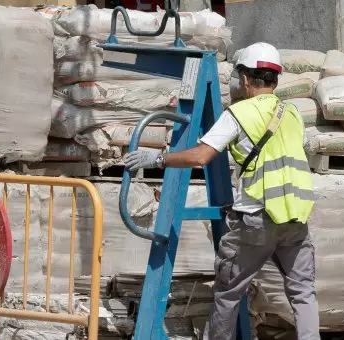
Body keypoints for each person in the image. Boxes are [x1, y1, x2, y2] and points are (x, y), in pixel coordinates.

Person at [123, 42, 320, 340]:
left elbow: (201, 156)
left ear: (243, 79)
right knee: (303, 292)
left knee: (228, 296)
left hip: (257, 218)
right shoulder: (292, 113)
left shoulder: (240, 113)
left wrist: (158, 158)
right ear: (275, 79)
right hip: (295, 219)